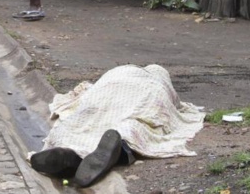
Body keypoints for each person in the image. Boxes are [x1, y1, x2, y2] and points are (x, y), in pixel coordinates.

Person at [29, 64, 204, 187]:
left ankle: (71, 155)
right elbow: (174, 106)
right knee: (134, 123)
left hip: (109, 88)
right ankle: (119, 149)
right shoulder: (160, 82)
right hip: (146, 92)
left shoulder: (119, 71)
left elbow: (88, 91)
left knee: (85, 119)